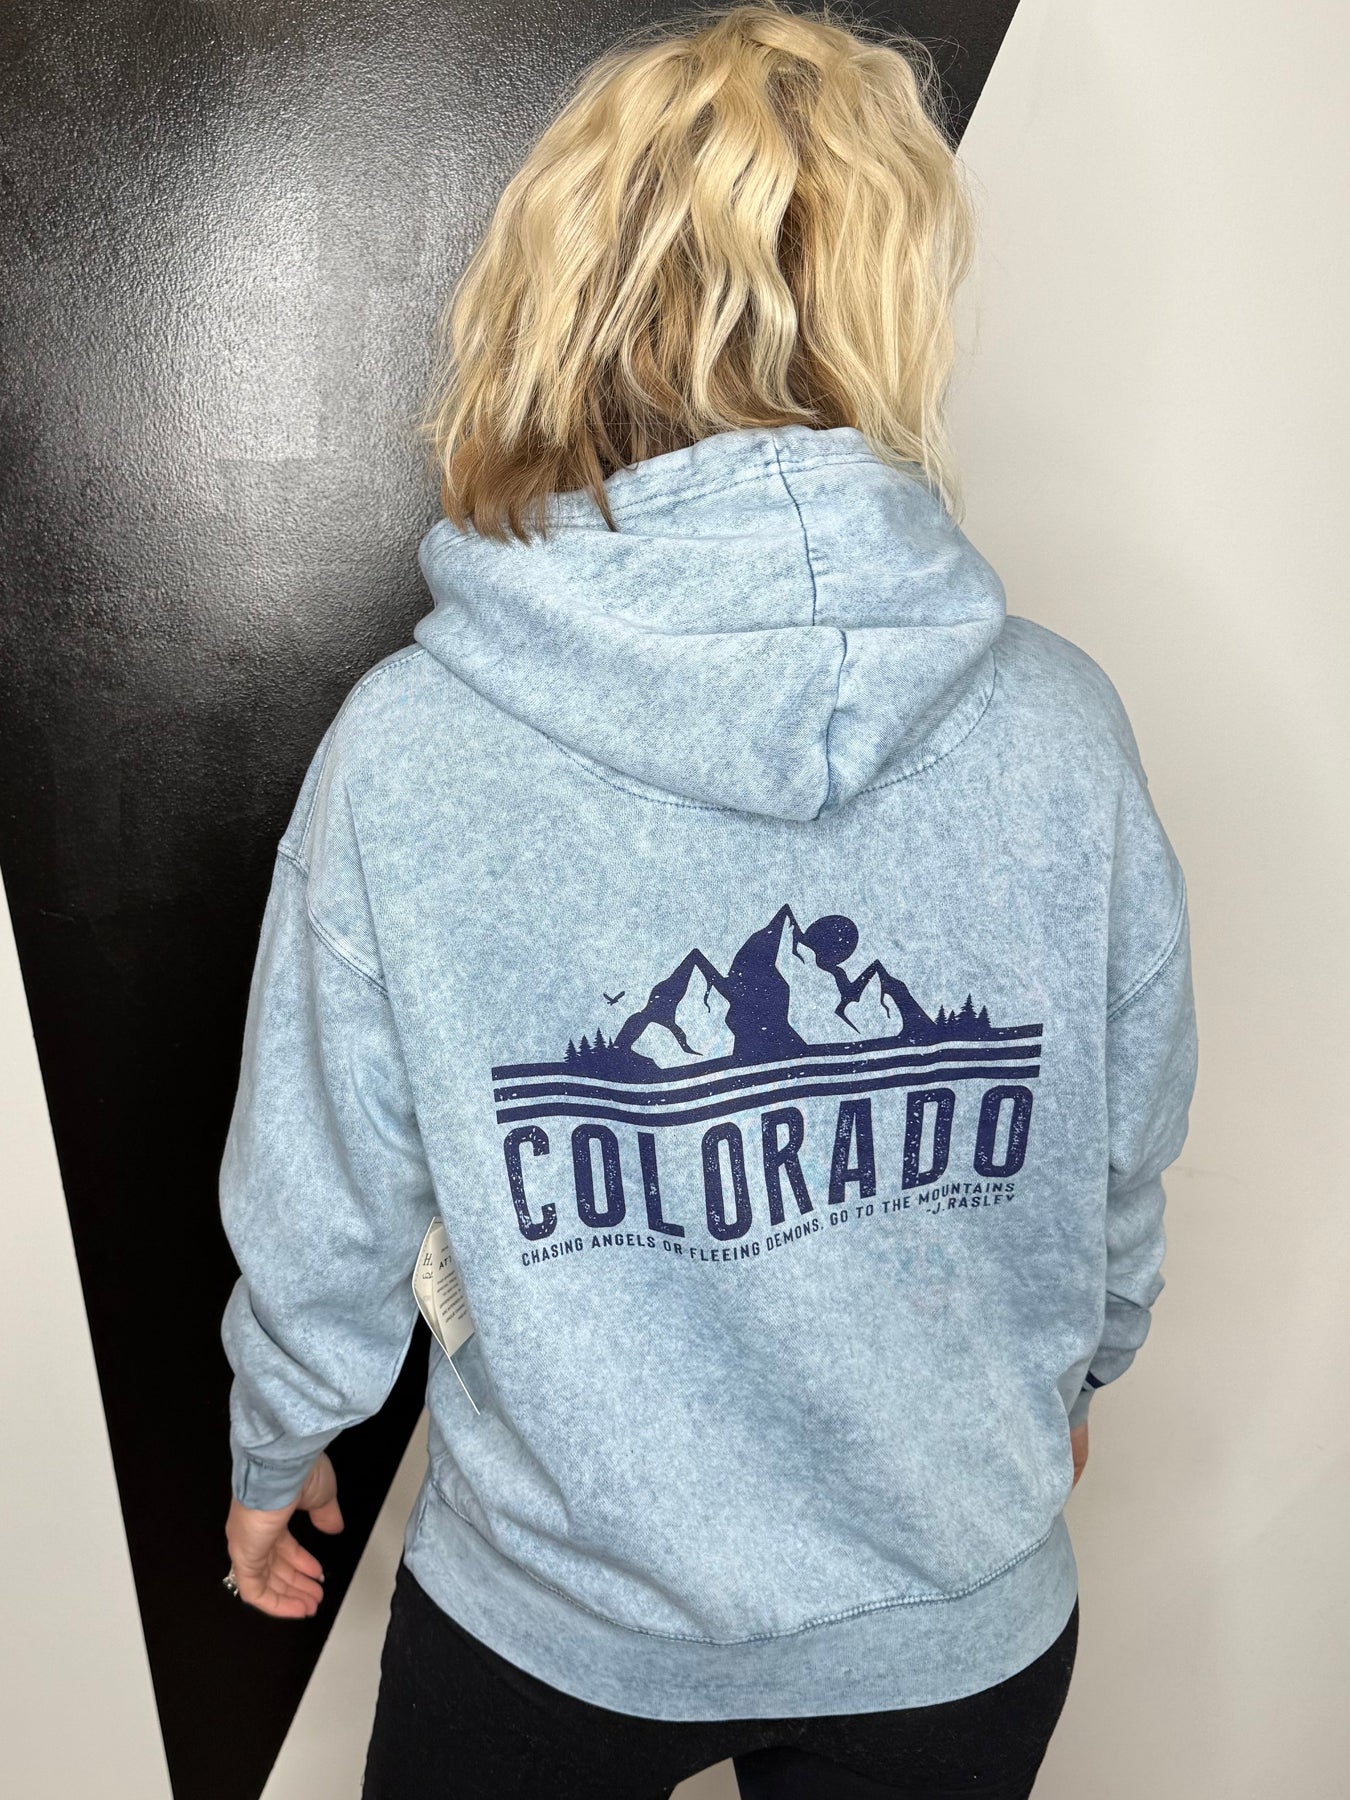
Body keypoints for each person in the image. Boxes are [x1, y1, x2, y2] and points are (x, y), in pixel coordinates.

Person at [218, 6, 1198, 1796]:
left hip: (555, 1618)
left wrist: (278, 1443)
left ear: (556, 302)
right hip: (952, 1619)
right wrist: (1079, 1375)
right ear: (888, 310)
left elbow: (325, 1191)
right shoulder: (1059, 727)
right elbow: (1118, 1141)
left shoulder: (413, 752)